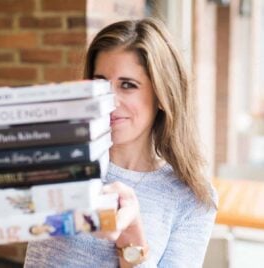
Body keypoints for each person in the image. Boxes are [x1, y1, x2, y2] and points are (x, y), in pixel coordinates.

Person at [25, 18, 217, 267]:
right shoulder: (62, 161)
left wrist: (132, 234)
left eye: (128, 85)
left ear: (162, 94)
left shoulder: (191, 197)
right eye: (100, 83)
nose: (110, 100)